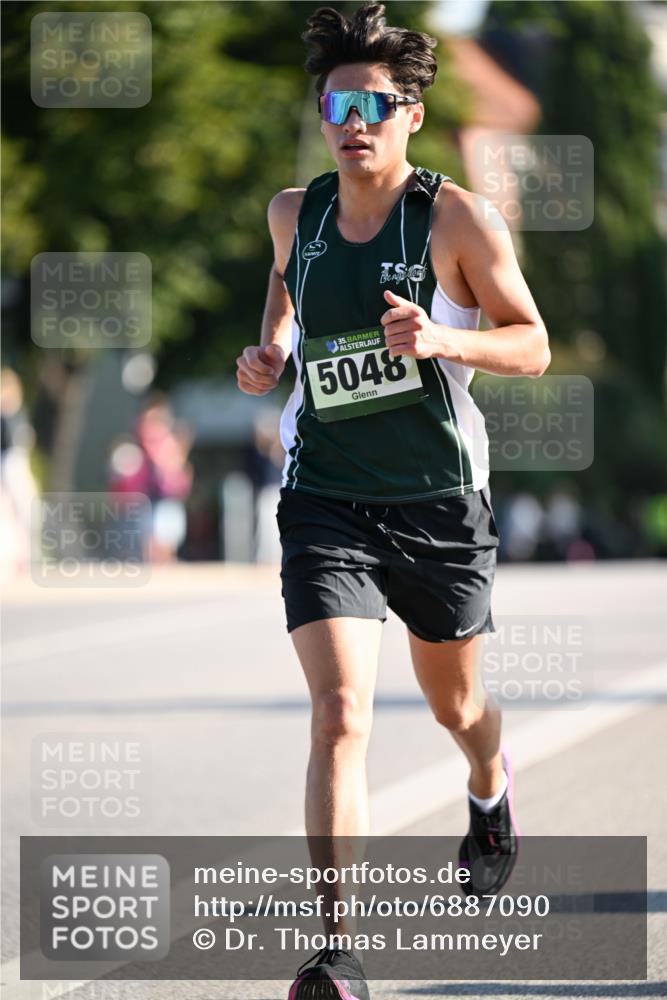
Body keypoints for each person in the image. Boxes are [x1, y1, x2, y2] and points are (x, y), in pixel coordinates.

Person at [236, 4, 550, 997]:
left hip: (436, 499)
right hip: (326, 494)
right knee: (339, 714)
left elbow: (531, 342)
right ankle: (338, 948)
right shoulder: (297, 212)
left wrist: (444, 339)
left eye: (374, 102)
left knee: (454, 702)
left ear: (410, 114)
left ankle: (489, 785)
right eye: (337, 101)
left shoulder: (457, 218)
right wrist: (271, 351)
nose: (353, 118)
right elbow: (283, 294)